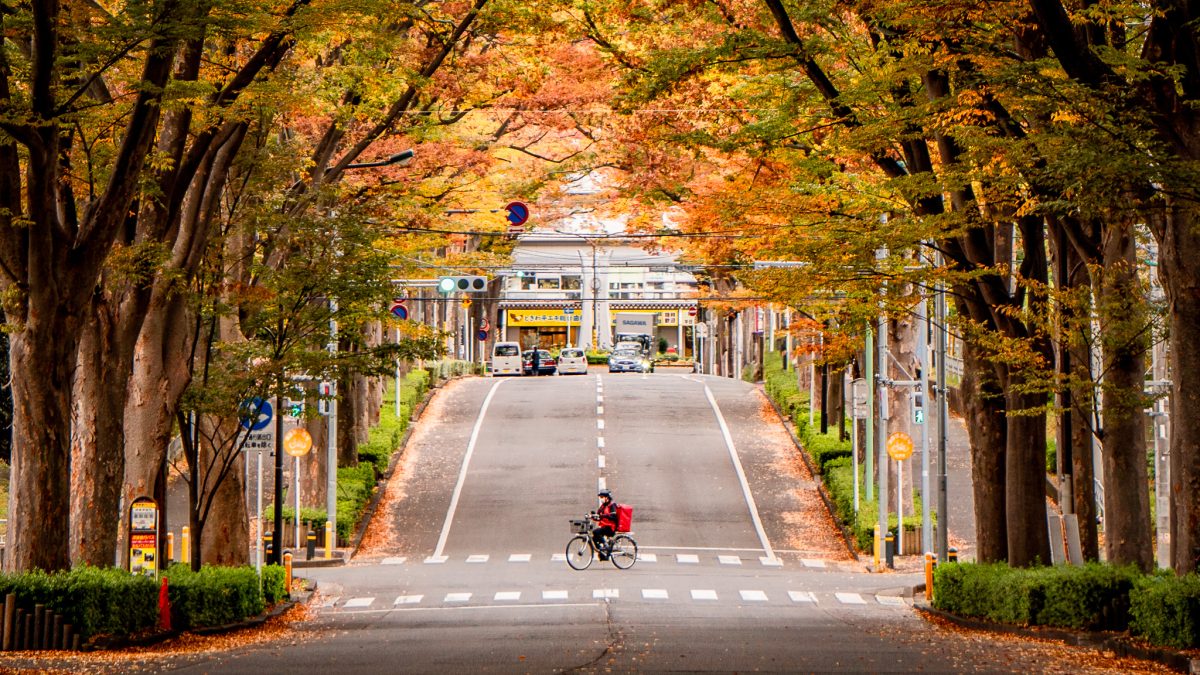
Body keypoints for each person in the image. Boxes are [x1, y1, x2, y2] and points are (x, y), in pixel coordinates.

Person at [591, 489, 618, 558]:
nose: (601, 499)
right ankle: (602, 551)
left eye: (602, 497)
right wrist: (592, 516)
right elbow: (598, 516)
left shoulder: (612, 505)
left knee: (596, 531)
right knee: (594, 537)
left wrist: (603, 516)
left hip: (611, 528)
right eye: (600, 497)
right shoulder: (603, 506)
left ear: (607, 498)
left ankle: (607, 546)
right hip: (605, 527)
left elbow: (613, 516)